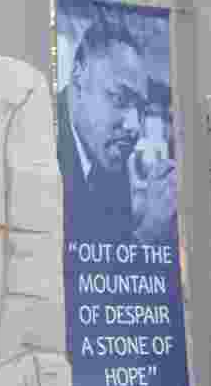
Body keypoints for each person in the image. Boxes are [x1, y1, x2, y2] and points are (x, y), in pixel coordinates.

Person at [57, 20, 177, 245]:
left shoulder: (107, 154)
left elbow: (109, 249)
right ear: (78, 75)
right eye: (120, 98)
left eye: (141, 109)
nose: (134, 126)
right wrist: (150, 231)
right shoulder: (44, 140)